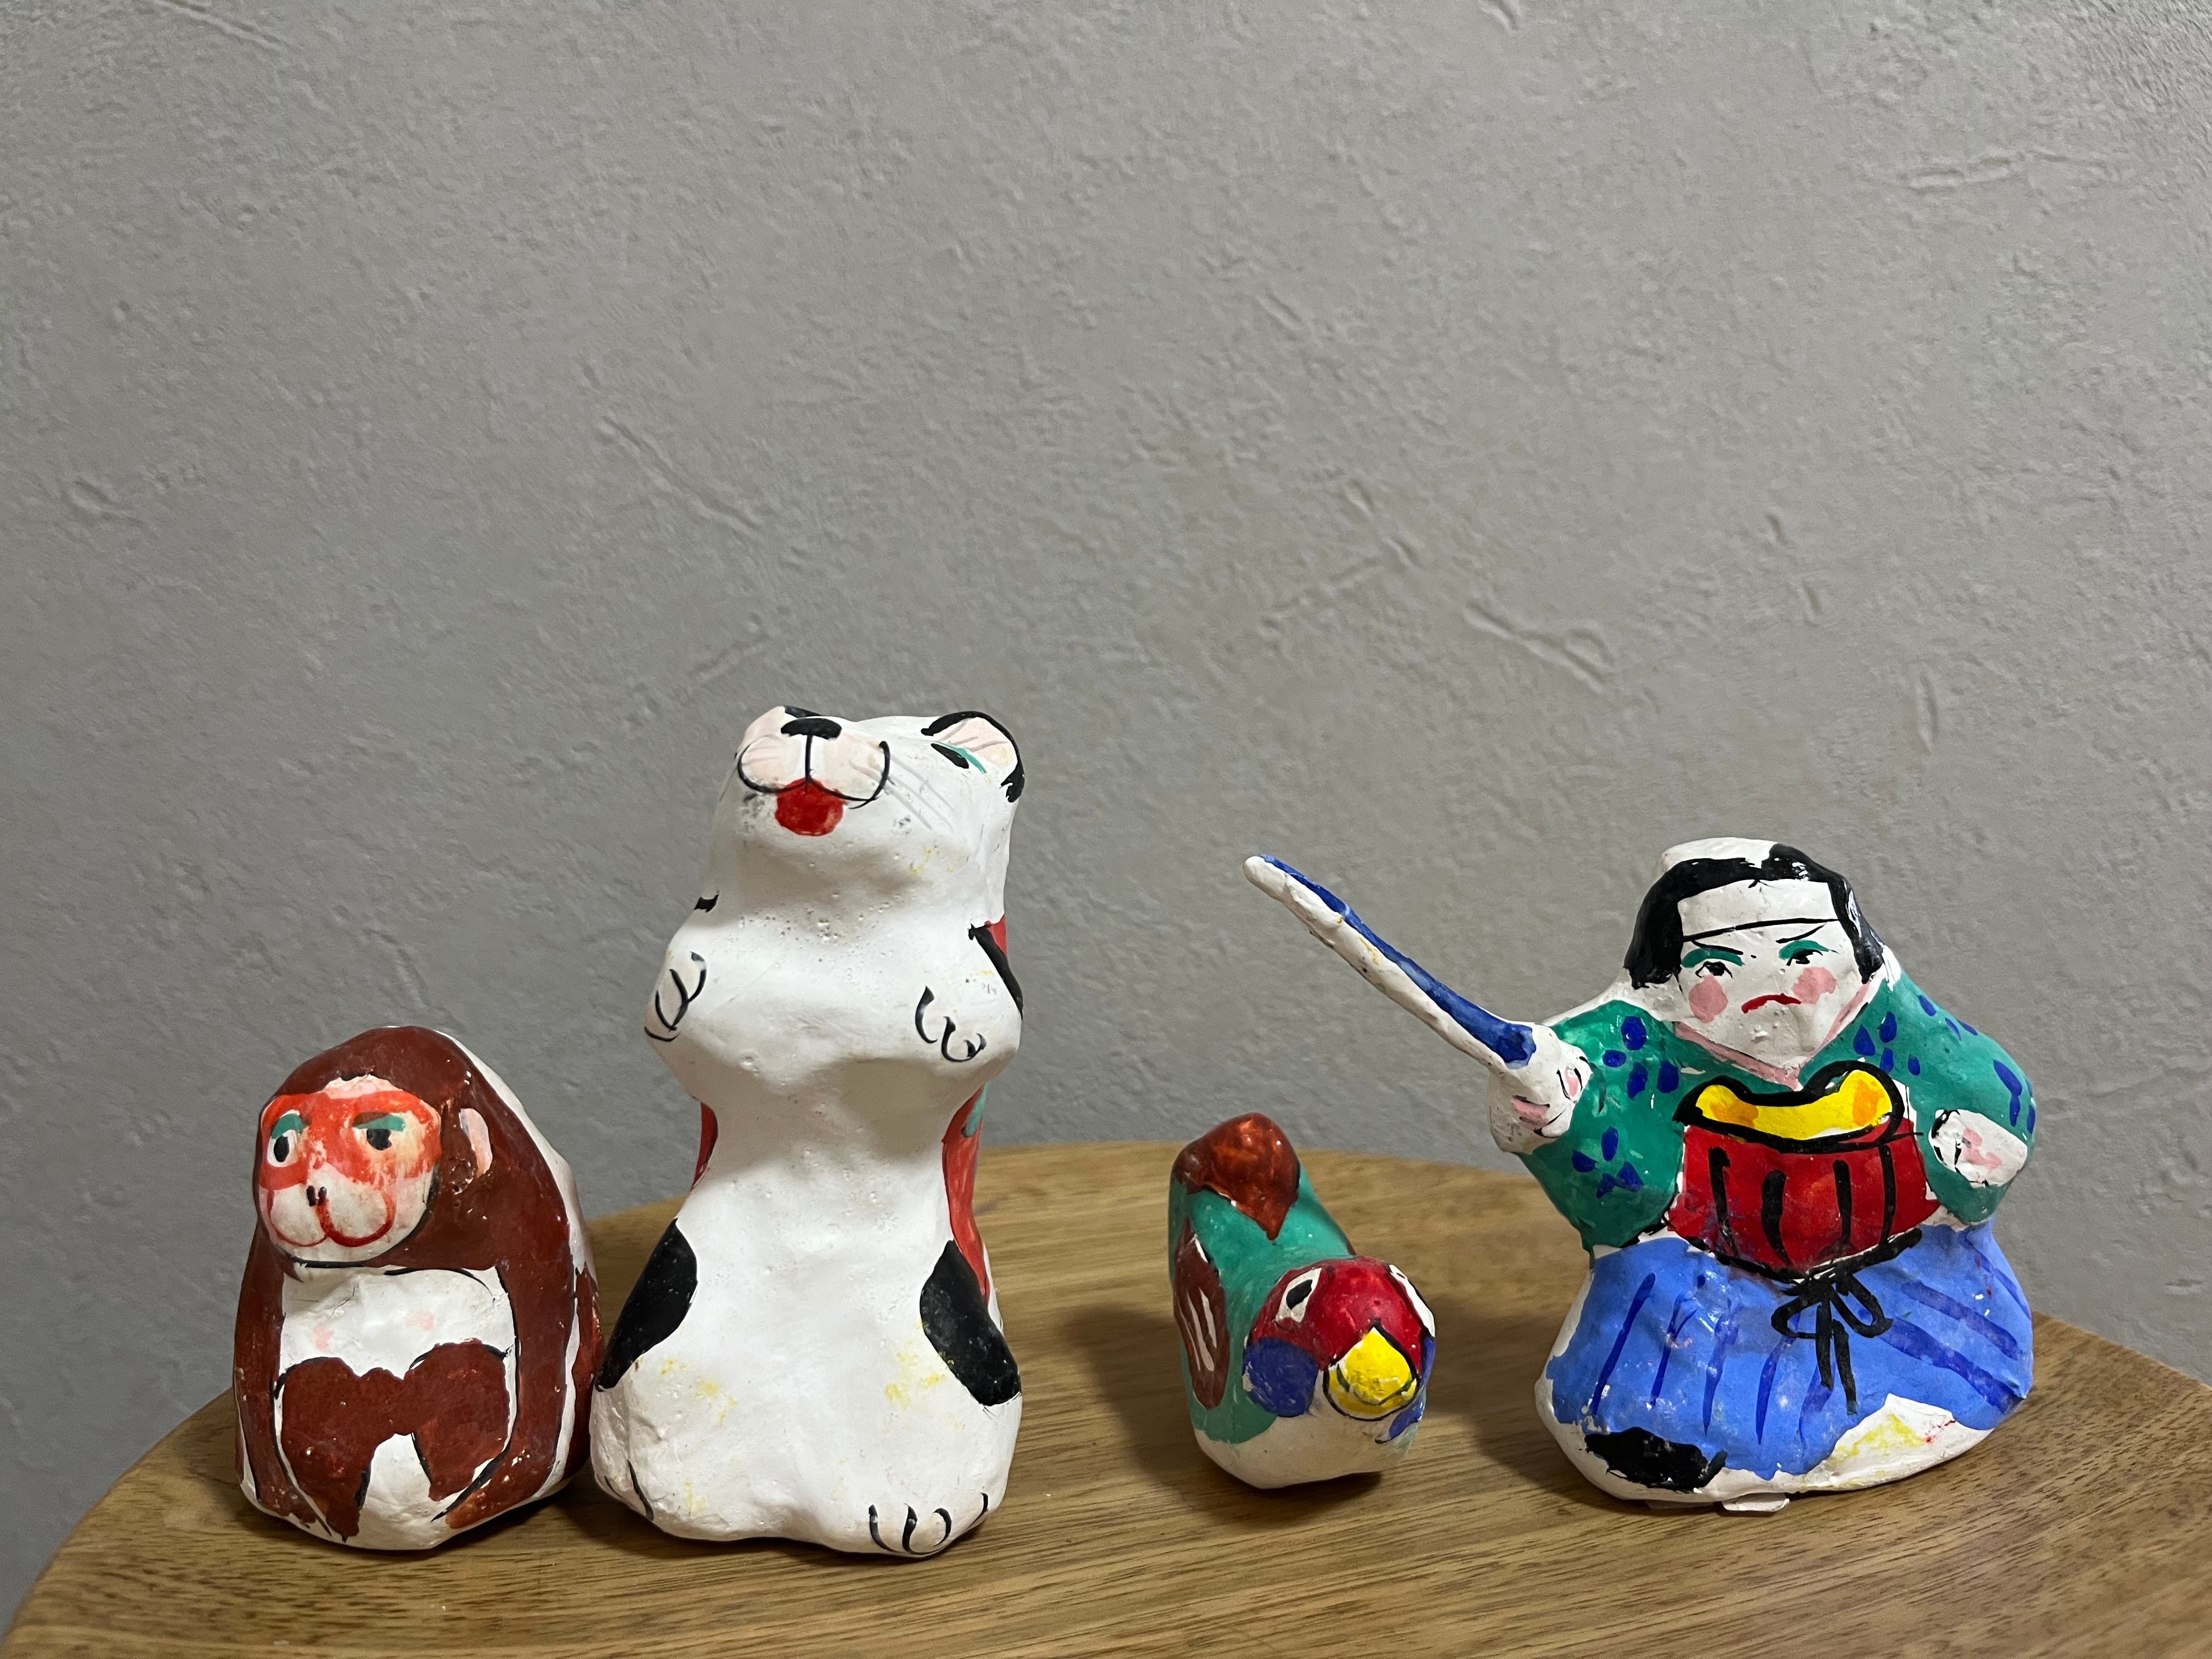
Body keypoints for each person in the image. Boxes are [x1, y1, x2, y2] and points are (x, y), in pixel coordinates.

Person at [1246, 837, 2034, 1508]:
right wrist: (1556, 1113)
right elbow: (1620, 1181)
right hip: (1711, 1290)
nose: (1776, 987)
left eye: (1805, 955)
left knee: (1958, 1351)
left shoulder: (1897, 1028)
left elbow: (1986, 1092)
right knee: (1660, 1380)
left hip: (1901, 1278)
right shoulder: (1632, 1046)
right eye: (1723, 965)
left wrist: (1976, 1148)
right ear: (1672, 977)